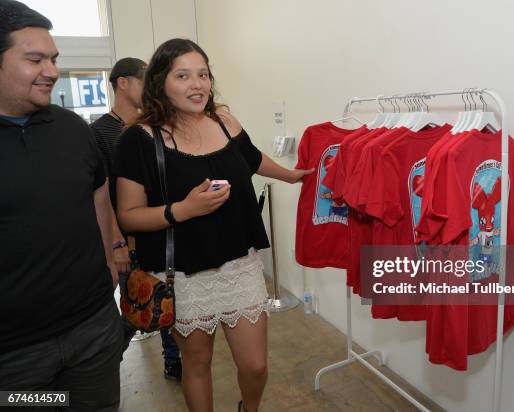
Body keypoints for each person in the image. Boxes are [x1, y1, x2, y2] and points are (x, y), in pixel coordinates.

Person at [113, 38, 313, 412]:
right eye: (183, 75)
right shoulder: (138, 139)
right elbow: (128, 214)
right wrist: (184, 209)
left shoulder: (224, 119)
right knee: (197, 363)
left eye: (203, 74)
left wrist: (290, 176)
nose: (197, 84)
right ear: (160, 82)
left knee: (255, 365)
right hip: (185, 273)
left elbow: (251, 159)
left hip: (239, 264)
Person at [0, 1, 122, 410]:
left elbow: (99, 191)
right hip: (15, 356)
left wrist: (108, 257)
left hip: (93, 330)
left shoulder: (71, 127)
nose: (51, 71)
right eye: (34, 59)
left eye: (53, 59)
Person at [90, 57, 183, 381]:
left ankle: (174, 361)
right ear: (122, 82)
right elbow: (101, 196)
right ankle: (97, 371)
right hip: (127, 240)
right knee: (135, 310)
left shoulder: (153, 128)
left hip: (160, 231)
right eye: (144, 79)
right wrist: (117, 243)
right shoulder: (100, 132)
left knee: (167, 298)